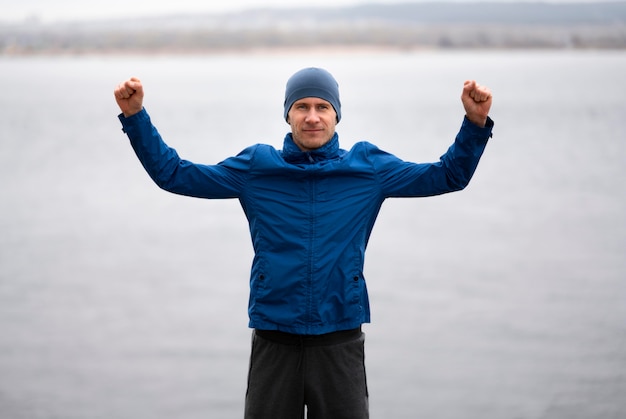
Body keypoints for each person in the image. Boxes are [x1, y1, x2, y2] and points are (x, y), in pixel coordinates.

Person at [114, 67, 493, 419]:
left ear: (336, 115)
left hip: (339, 339)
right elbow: (174, 175)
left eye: (322, 107)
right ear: (288, 115)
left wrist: (475, 124)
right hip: (274, 339)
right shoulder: (255, 168)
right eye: (302, 107)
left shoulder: (368, 169)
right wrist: (135, 118)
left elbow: (448, 176)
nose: (312, 116)